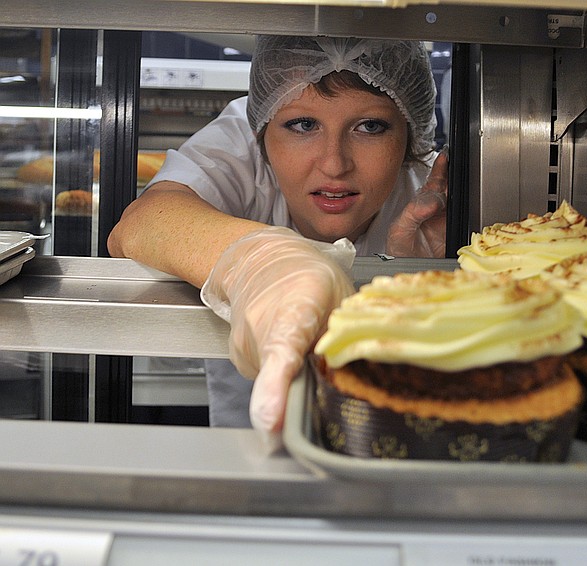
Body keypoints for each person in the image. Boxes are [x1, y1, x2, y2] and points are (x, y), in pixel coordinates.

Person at [107, 35, 449, 448]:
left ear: (411, 137)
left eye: (370, 127)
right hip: (250, 445)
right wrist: (261, 262)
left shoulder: (433, 197)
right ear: (262, 135)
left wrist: (425, 282)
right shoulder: (242, 142)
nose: (334, 164)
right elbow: (142, 223)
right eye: (303, 125)